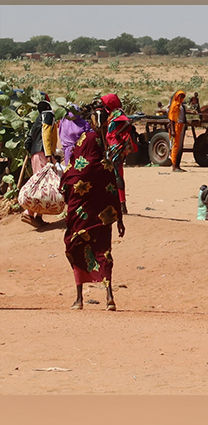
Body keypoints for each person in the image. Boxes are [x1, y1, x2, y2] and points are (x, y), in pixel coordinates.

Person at [60, 116, 125, 311]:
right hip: (102, 220)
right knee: (103, 252)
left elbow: (64, 189)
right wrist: (119, 220)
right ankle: (109, 296)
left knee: (77, 249)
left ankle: (79, 298)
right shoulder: (106, 168)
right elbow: (115, 195)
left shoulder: (74, 171)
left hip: (79, 221)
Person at [22, 100, 57, 227]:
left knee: (39, 184)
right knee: (43, 184)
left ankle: (37, 215)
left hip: (35, 153)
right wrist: (48, 154)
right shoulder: (48, 115)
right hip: (43, 152)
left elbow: (29, 139)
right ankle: (29, 213)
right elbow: (46, 134)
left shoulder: (37, 119)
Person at [101, 93, 137, 215]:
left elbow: (128, 123)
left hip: (116, 147)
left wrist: (117, 134)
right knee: (114, 173)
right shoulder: (112, 113)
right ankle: (117, 203)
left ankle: (122, 205)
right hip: (113, 146)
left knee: (116, 173)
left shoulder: (117, 112)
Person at [168, 90, 187, 172]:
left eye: (183, 96)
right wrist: (172, 130)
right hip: (176, 126)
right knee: (175, 146)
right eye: (180, 96)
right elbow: (171, 119)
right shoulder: (174, 105)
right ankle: (174, 165)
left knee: (179, 146)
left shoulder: (181, 105)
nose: (181, 98)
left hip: (181, 125)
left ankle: (178, 165)